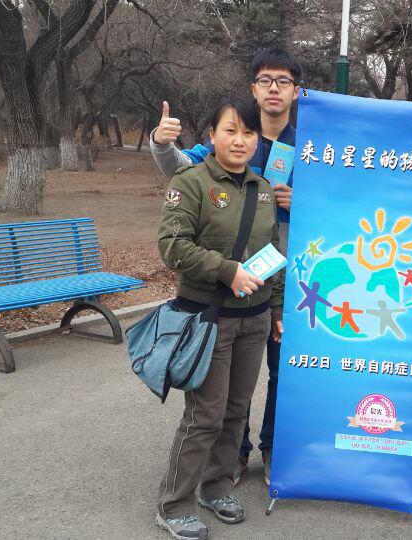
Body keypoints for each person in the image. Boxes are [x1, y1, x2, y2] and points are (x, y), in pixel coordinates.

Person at [151, 47, 301, 487]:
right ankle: (231, 455)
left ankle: (272, 446)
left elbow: (336, 205)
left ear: (296, 91)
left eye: (284, 81)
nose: (274, 88)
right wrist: (161, 142)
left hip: (285, 275)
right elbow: (181, 168)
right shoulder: (230, 133)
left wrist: (304, 203)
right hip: (225, 281)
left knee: (281, 368)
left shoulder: (310, 146)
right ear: (253, 88)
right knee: (226, 387)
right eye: (265, 80)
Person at [155, 97, 284, 540]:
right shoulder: (190, 181)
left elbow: (273, 253)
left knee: (235, 410)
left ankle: (216, 486)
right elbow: (172, 246)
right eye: (230, 130)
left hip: (255, 320)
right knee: (205, 415)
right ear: (211, 135)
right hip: (210, 320)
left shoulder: (263, 189)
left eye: (248, 133)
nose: (240, 140)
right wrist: (227, 271)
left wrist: (277, 309)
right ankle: (174, 504)